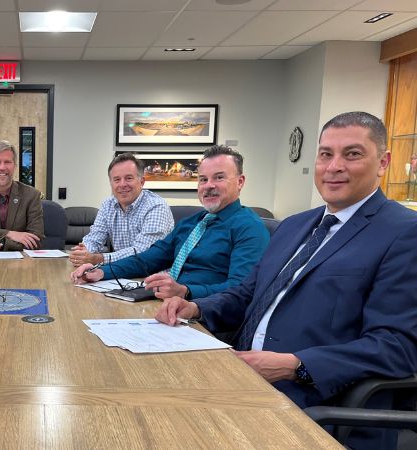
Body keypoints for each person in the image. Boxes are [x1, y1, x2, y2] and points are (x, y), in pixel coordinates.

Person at [156, 112, 417, 450]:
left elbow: (397, 346)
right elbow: (248, 292)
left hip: (314, 403)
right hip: (238, 376)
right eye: (325, 154)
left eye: (352, 154)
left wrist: (296, 366)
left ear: (383, 162)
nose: (334, 166)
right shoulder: (294, 225)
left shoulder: (403, 233)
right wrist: (194, 306)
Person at [71, 145, 269, 300]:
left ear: (240, 182)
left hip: (205, 318)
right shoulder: (191, 223)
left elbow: (241, 289)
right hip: (166, 304)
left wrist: (186, 291)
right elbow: (147, 259)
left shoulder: (249, 227)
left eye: (219, 178)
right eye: (202, 179)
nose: (209, 186)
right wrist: (100, 272)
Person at [69, 153, 173, 267]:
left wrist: (99, 259)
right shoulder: (108, 205)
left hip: (153, 275)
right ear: (111, 183)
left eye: (128, 178)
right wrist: (83, 251)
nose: (122, 184)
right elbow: (95, 237)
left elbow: (143, 251)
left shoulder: (156, 206)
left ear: (142, 181)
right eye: (117, 179)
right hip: (119, 272)